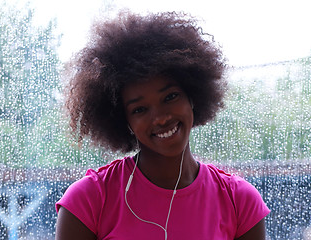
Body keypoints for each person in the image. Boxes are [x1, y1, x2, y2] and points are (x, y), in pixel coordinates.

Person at [55, 11, 270, 240]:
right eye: (139, 109)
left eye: (170, 97)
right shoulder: (88, 200)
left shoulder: (240, 201)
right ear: (123, 120)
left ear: (193, 96)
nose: (160, 118)